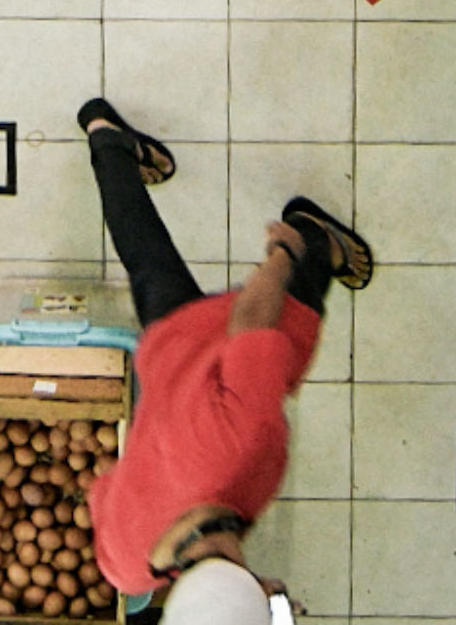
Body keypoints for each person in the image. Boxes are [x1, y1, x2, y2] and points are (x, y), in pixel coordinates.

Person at [76, 97, 372, 625]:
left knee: (302, 280)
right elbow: (100, 489)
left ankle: (315, 235)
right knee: (145, 256)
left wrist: (283, 252)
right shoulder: (125, 566)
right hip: (168, 356)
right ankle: (106, 138)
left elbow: (252, 326)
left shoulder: (240, 444)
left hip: (224, 343)